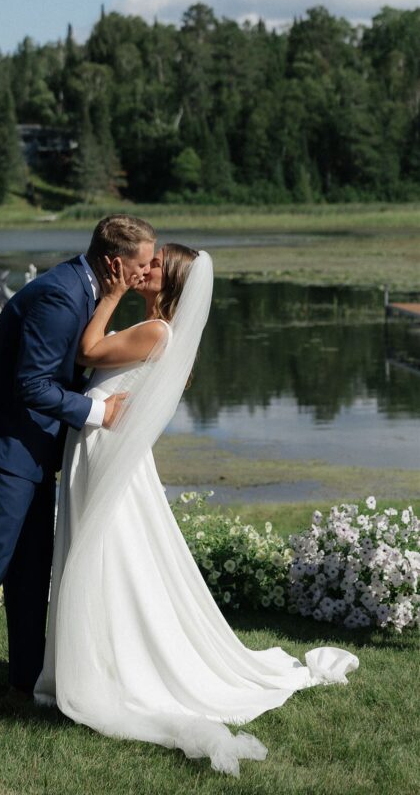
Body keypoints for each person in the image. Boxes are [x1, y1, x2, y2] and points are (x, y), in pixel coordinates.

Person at [34, 244, 358, 777]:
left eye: (154, 265)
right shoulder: (157, 329)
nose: (143, 268)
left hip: (106, 452)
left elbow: (87, 353)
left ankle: (111, 668)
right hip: (103, 449)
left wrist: (111, 292)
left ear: (172, 281)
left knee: (108, 553)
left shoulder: (158, 332)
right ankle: (90, 661)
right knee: (103, 552)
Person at [0, 214, 156, 719]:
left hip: (35, 447)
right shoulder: (60, 296)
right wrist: (102, 413)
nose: (146, 272)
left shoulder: (87, 290)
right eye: (141, 264)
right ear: (113, 263)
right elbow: (32, 385)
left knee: (32, 569)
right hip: (4, 445)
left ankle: (26, 680)